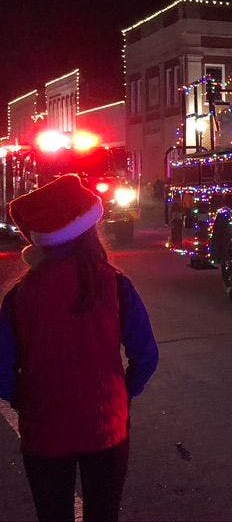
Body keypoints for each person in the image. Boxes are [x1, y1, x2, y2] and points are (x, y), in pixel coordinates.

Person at [0, 174, 158, 522]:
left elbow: (2, 370)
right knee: (103, 513)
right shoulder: (115, 284)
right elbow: (146, 355)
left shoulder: (19, 296)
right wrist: (122, 392)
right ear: (90, 230)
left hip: (44, 429)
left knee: (52, 513)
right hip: (106, 425)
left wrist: (24, 400)